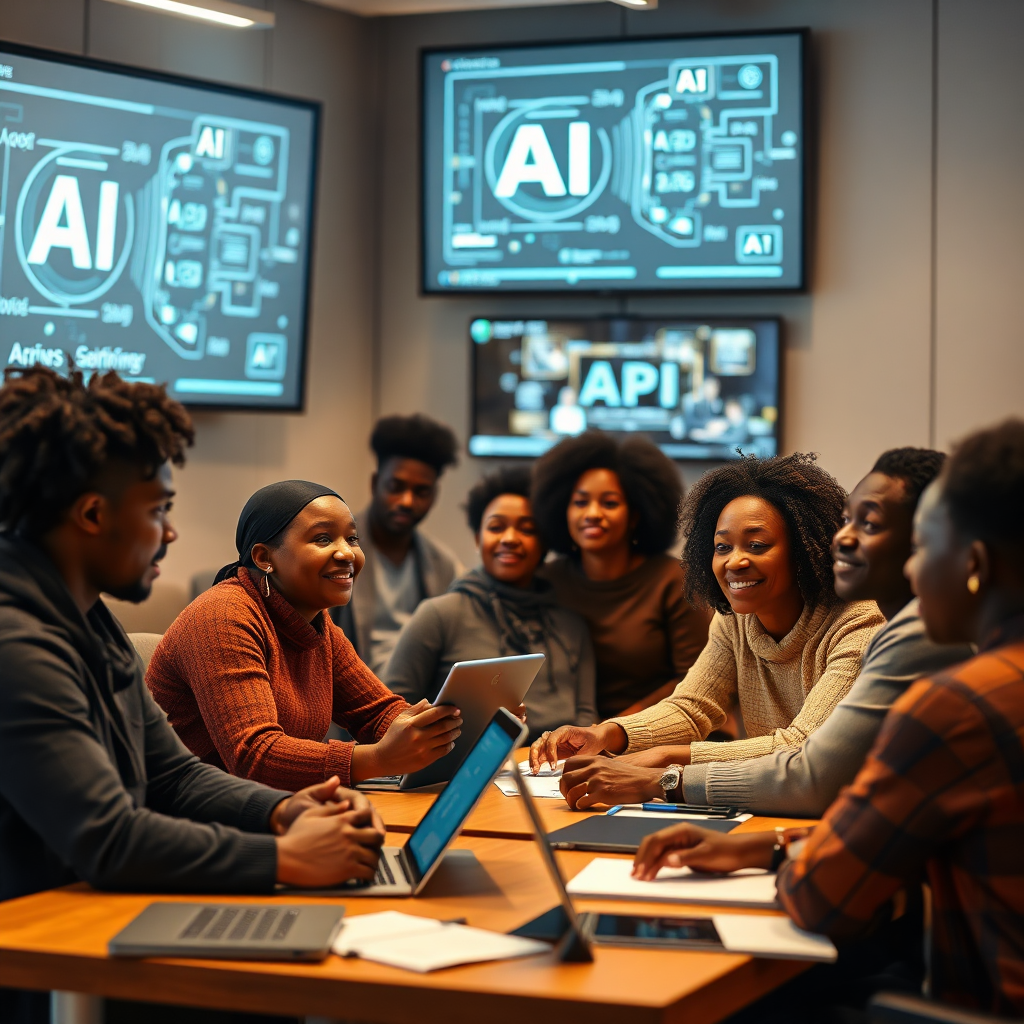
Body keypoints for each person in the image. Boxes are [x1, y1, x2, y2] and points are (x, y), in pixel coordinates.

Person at [0, 369, 386, 1024]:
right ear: (92, 515)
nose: (172, 533)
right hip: (43, 955)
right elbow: (108, 840)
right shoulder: (17, 643)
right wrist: (282, 858)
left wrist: (282, 812)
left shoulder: (88, 619)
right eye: (158, 511)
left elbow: (172, 775)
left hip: (95, 912)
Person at [631, 419, 1024, 1018]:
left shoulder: (955, 703)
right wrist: (763, 848)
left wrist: (674, 780)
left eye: (924, 549)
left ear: (972, 563)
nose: (912, 571)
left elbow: (824, 895)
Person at [531, 451, 885, 809]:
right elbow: (691, 708)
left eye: (757, 545)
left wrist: (666, 758)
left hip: (846, 817)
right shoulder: (735, 619)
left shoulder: (859, 624)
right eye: (722, 547)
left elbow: (802, 747)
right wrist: (605, 733)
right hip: (771, 806)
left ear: (806, 550)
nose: (734, 561)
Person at [680, 448, 973, 815]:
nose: (841, 538)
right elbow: (879, 803)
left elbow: (811, 772)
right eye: (846, 521)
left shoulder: (910, 633)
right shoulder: (911, 626)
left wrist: (667, 777)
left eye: (869, 524)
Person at [147, 481, 463, 792]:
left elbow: (376, 713)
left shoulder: (317, 624)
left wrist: (439, 729)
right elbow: (255, 757)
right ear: (264, 557)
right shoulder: (222, 616)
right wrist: (377, 759)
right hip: (184, 811)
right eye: (323, 539)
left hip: (268, 805)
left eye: (352, 538)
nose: (347, 553)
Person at [385, 467, 596, 741]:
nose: (509, 539)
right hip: (460, 764)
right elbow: (391, 716)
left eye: (527, 529)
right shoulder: (438, 615)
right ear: (478, 538)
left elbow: (587, 721)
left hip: (558, 765)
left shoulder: (571, 626)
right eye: (496, 527)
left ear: (544, 544)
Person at [531, 431, 712, 719]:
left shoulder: (675, 580)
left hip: (659, 730)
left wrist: (615, 729)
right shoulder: (546, 581)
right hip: (566, 729)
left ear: (635, 515)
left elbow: (696, 679)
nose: (592, 513)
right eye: (580, 502)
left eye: (609, 503)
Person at [330, 413, 463, 675]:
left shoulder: (443, 564)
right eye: (396, 487)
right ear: (375, 484)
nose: (407, 501)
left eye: (421, 492)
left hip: (419, 691)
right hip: (352, 690)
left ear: (434, 496)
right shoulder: (336, 551)